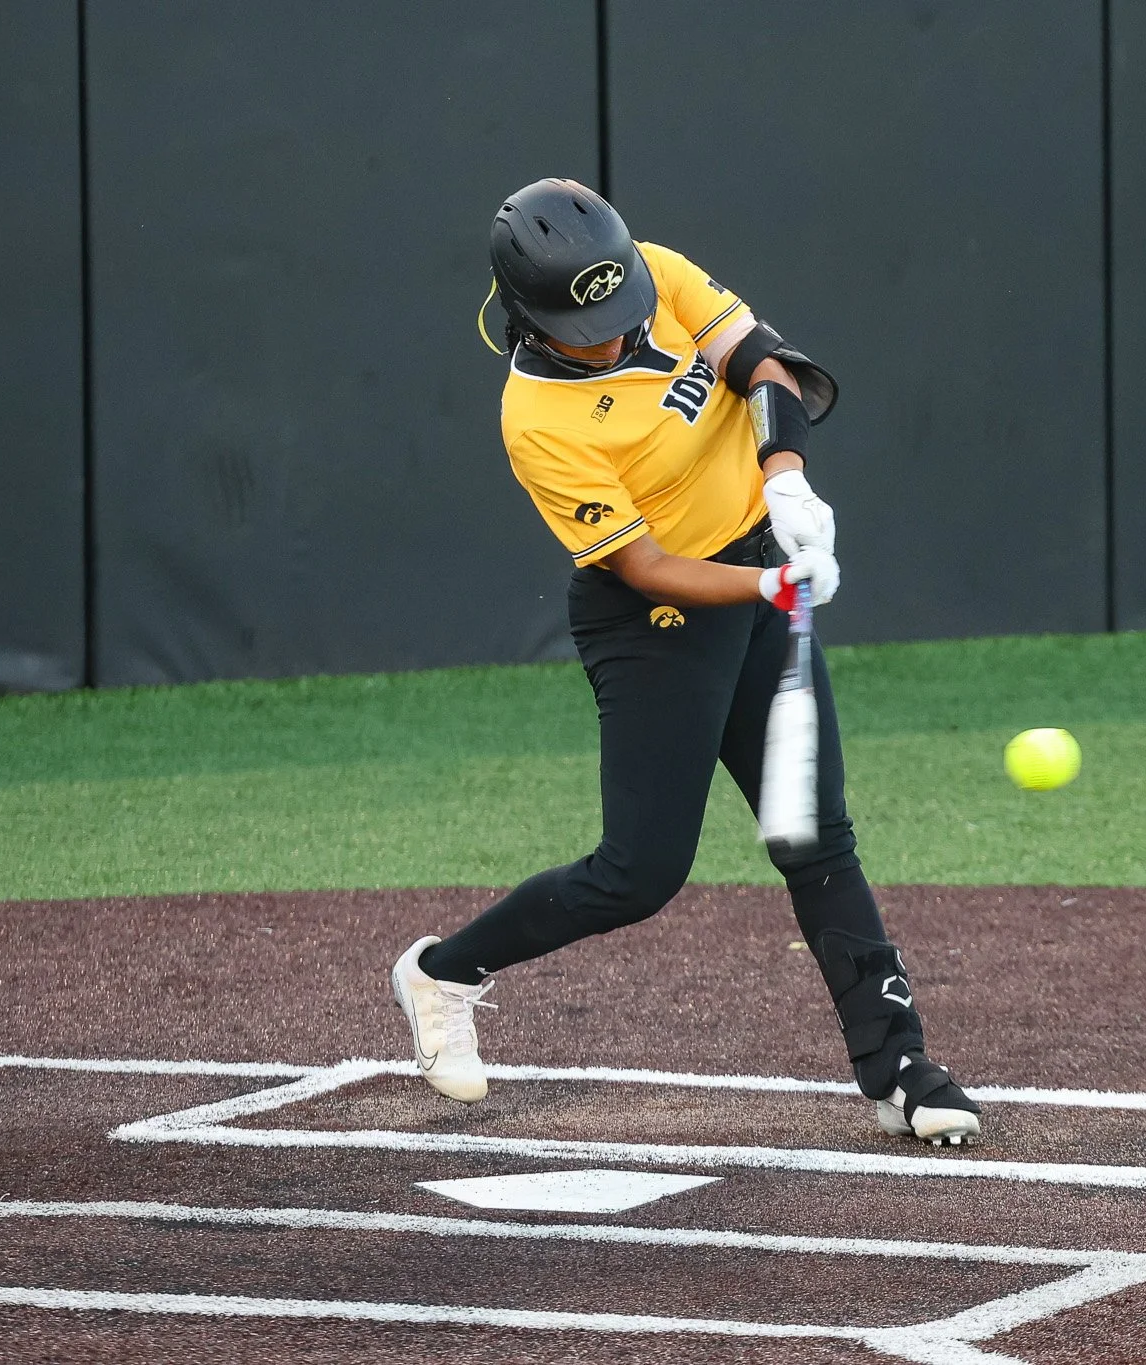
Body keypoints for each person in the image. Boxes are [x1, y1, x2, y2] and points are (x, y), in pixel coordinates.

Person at [390, 179, 981, 1146]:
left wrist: (786, 482)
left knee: (815, 837)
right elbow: (646, 567)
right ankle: (443, 971)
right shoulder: (537, 421)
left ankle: (901, 1068)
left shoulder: (654, 273)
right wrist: (771, 587)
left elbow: (766, 365)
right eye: (586, 330)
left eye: (620, 312)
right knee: (638, 874)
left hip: (755, 564)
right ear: (529, 317)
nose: (613, 337)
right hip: (655, 622)